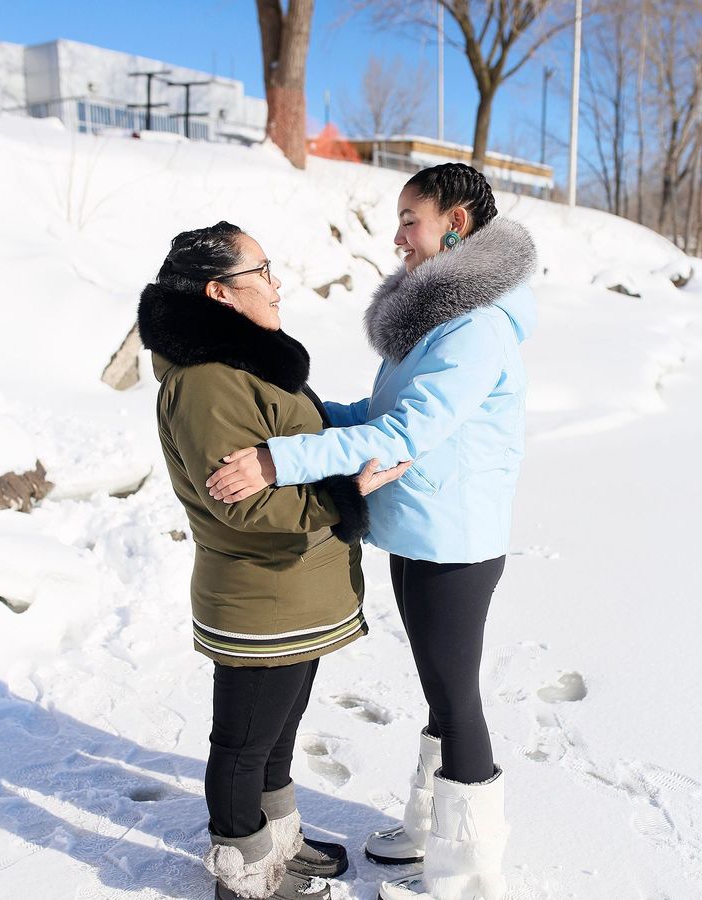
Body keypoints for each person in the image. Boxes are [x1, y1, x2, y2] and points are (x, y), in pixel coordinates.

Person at [205, 164, 538, 900]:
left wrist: (278, 459)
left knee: (457, 699)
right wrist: (304, 417)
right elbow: (376, 409)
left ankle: (466, 874)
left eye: (409, 219)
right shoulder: (438, 319)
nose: (397, 237)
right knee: (438, 691)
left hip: (457, 542)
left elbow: (406, 429)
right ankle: (428, 832)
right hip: (420, 530)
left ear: (455, 222)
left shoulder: (476, 327)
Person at [137, 222, 409, 900]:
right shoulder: (207, 383)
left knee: (276, 734)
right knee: (242, 743)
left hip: (294, 593)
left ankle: (277, 842)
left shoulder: (246, 364)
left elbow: (292, 448)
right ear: (219, 292)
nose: (277, 282)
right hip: (258, 597)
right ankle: (243, 870)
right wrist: (347, 493)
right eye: (262, 270)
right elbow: (243, 508)